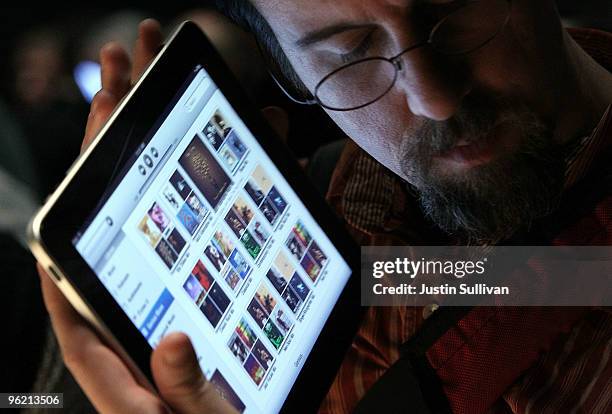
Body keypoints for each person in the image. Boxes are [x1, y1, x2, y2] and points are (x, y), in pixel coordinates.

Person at [39, 0, 612, 411]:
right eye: (352, 52)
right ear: (290, 76)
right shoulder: (343, 210)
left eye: (452, 6)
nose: (434, 98)